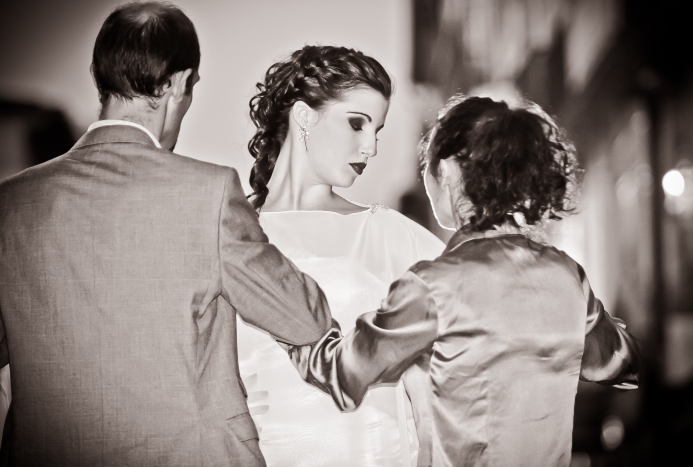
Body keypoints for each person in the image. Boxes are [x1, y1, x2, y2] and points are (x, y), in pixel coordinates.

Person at [0, 3, 332, 465]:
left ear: (100, 76)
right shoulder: (209, 192)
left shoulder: (11, 202)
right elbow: (304, 320)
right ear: (178, 82)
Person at [287, 96, 643, 467]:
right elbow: (624, 363)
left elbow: (343, 373)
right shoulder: (567, 276)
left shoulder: (433, 286)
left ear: (447, 170)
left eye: (427, 167)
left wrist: (290, 301)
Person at [237, 45, 445, 467]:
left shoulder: (388, 234)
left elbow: (439, 382)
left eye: (377, 131)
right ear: (303, 116)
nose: (370, 147)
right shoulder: (232, 237)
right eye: (357, 123)